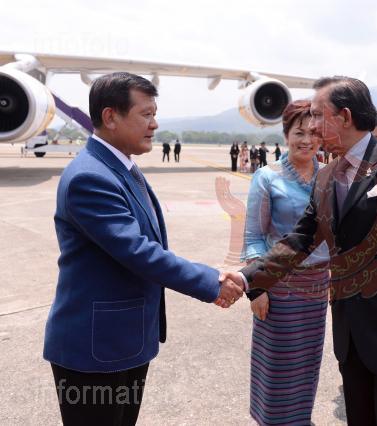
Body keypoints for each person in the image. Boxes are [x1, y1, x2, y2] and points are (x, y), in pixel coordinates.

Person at [229, 76, 377, 424]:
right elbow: (300, 240)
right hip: (351, 337)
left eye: (317, 115)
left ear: (345, 116)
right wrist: (247, 279)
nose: (312, 126)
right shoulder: (326, 177)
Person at [43, 72, 243, 426]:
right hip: (94, 350)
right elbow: (137, 251)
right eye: (146, 114)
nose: (155, 124)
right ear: (110, 117)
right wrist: (212, 281)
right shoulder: (91, 177)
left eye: (155, 114)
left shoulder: (119, 166)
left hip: (124, 340)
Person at [242, 100, 330, 425]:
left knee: (307, 363)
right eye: (299, 133)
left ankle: (300, 419)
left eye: (313, 133)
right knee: (277, 363)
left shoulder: (330, 176)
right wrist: (256, 288)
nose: (307, 140)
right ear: (286, 135)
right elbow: (253, 236)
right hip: (279, 287)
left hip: (317, 288)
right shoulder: (267, 177)